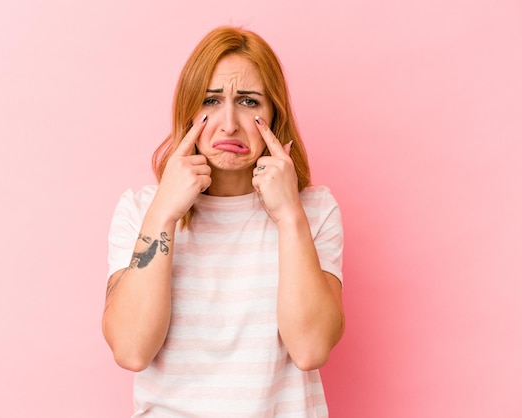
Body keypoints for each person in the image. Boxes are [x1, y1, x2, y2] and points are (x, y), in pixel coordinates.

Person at [103, 25, 345, 417]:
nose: (229, 123)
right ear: (188, 112)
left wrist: (288, 215)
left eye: (249, 102)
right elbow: (131, 350)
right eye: (210, 101)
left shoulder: (313, 211)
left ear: (274, 115)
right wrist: (163, 213)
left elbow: (311, 348)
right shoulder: (140, 211)